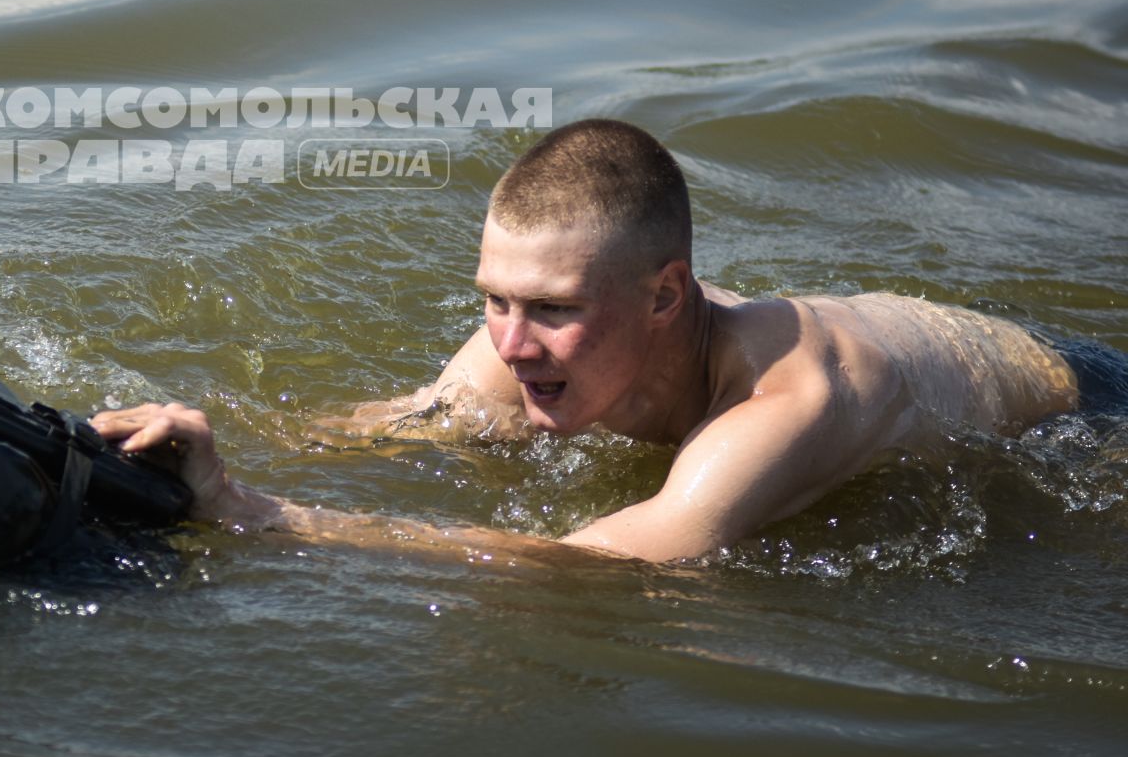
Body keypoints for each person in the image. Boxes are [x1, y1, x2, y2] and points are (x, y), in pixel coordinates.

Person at [90, 119, 1121, 564]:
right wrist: (134, 448)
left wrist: (253, 510)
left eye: (550, 308)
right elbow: (360, 433)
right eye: (495, 297)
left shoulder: (781, 404)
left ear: (667, 294)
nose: (510, 342)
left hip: (1086, 408)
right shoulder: (514, 346)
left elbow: (592, 562)